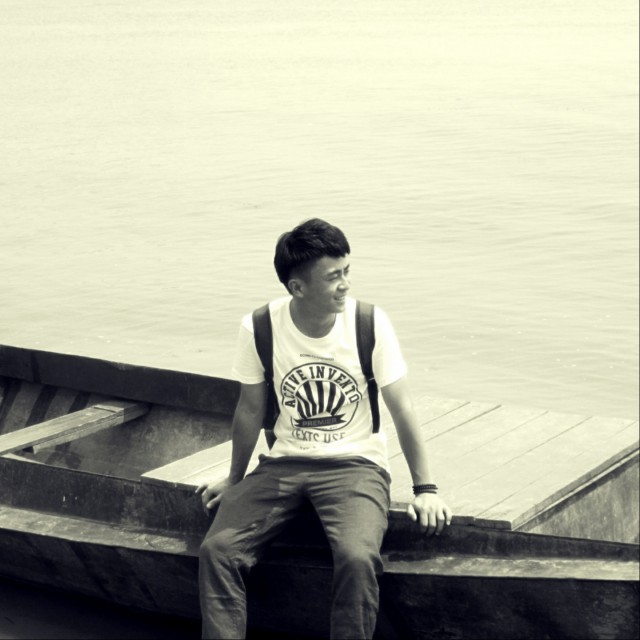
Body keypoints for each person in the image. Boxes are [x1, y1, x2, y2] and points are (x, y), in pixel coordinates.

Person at [196, 218, 452, 639]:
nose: (345, 284)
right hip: (283, 464)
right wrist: (234, 478)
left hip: (356, 466)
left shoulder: (369, 323)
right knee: (218, 550)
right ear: (298, 288)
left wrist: (426, 489)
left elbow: (402, 407)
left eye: (347, 271)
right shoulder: (260, 327)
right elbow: (249, 409)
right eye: (333, 276)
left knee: (356, 557)